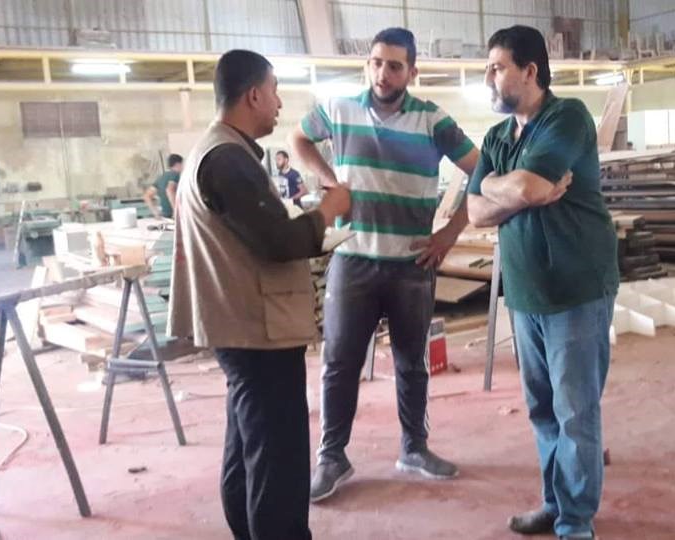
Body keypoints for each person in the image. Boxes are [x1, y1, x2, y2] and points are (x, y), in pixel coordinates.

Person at [290, 27, 479, 503]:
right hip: (353, 260)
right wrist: (331, 181)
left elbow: (481, 169)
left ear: (412, 72)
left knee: (412, 363)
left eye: (395, 66)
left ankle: (414, 448)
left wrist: (450, 233)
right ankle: (332, 457)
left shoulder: (433, 120)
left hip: (412, 265)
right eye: (376, 62)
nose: (383, 73)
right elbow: (299, 138)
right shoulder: (338, 110)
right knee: (339, 363)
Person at [168, 49, 351, 540]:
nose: (278, 102)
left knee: (249, 449)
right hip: (256, 331)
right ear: (253, 95)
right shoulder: (227, 158)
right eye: (274, 91)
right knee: (278, 459)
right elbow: (280, 241)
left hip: (241, 327)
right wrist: (328, 209)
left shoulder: (219, 151)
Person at [466, 26, 619, 540]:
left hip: (576, 290)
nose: (489, 79)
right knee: (543, 409)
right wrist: (507, 188)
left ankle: (575, 523)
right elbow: (475, 212)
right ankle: (555, 504)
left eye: (497, 68)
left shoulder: (566, 117)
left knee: (575, 412)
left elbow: (529, 185)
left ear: (530, 71)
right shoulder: (496, 138)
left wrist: (510, 189)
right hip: (526, 293)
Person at [144, 154, 183, 218]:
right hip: (174, 215)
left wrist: (155, 212)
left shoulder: (161, 177)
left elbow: (147, 196)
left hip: (164, 215)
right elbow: (170, 190)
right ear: (178, 164)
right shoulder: (176, 174)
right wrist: (176, 211)